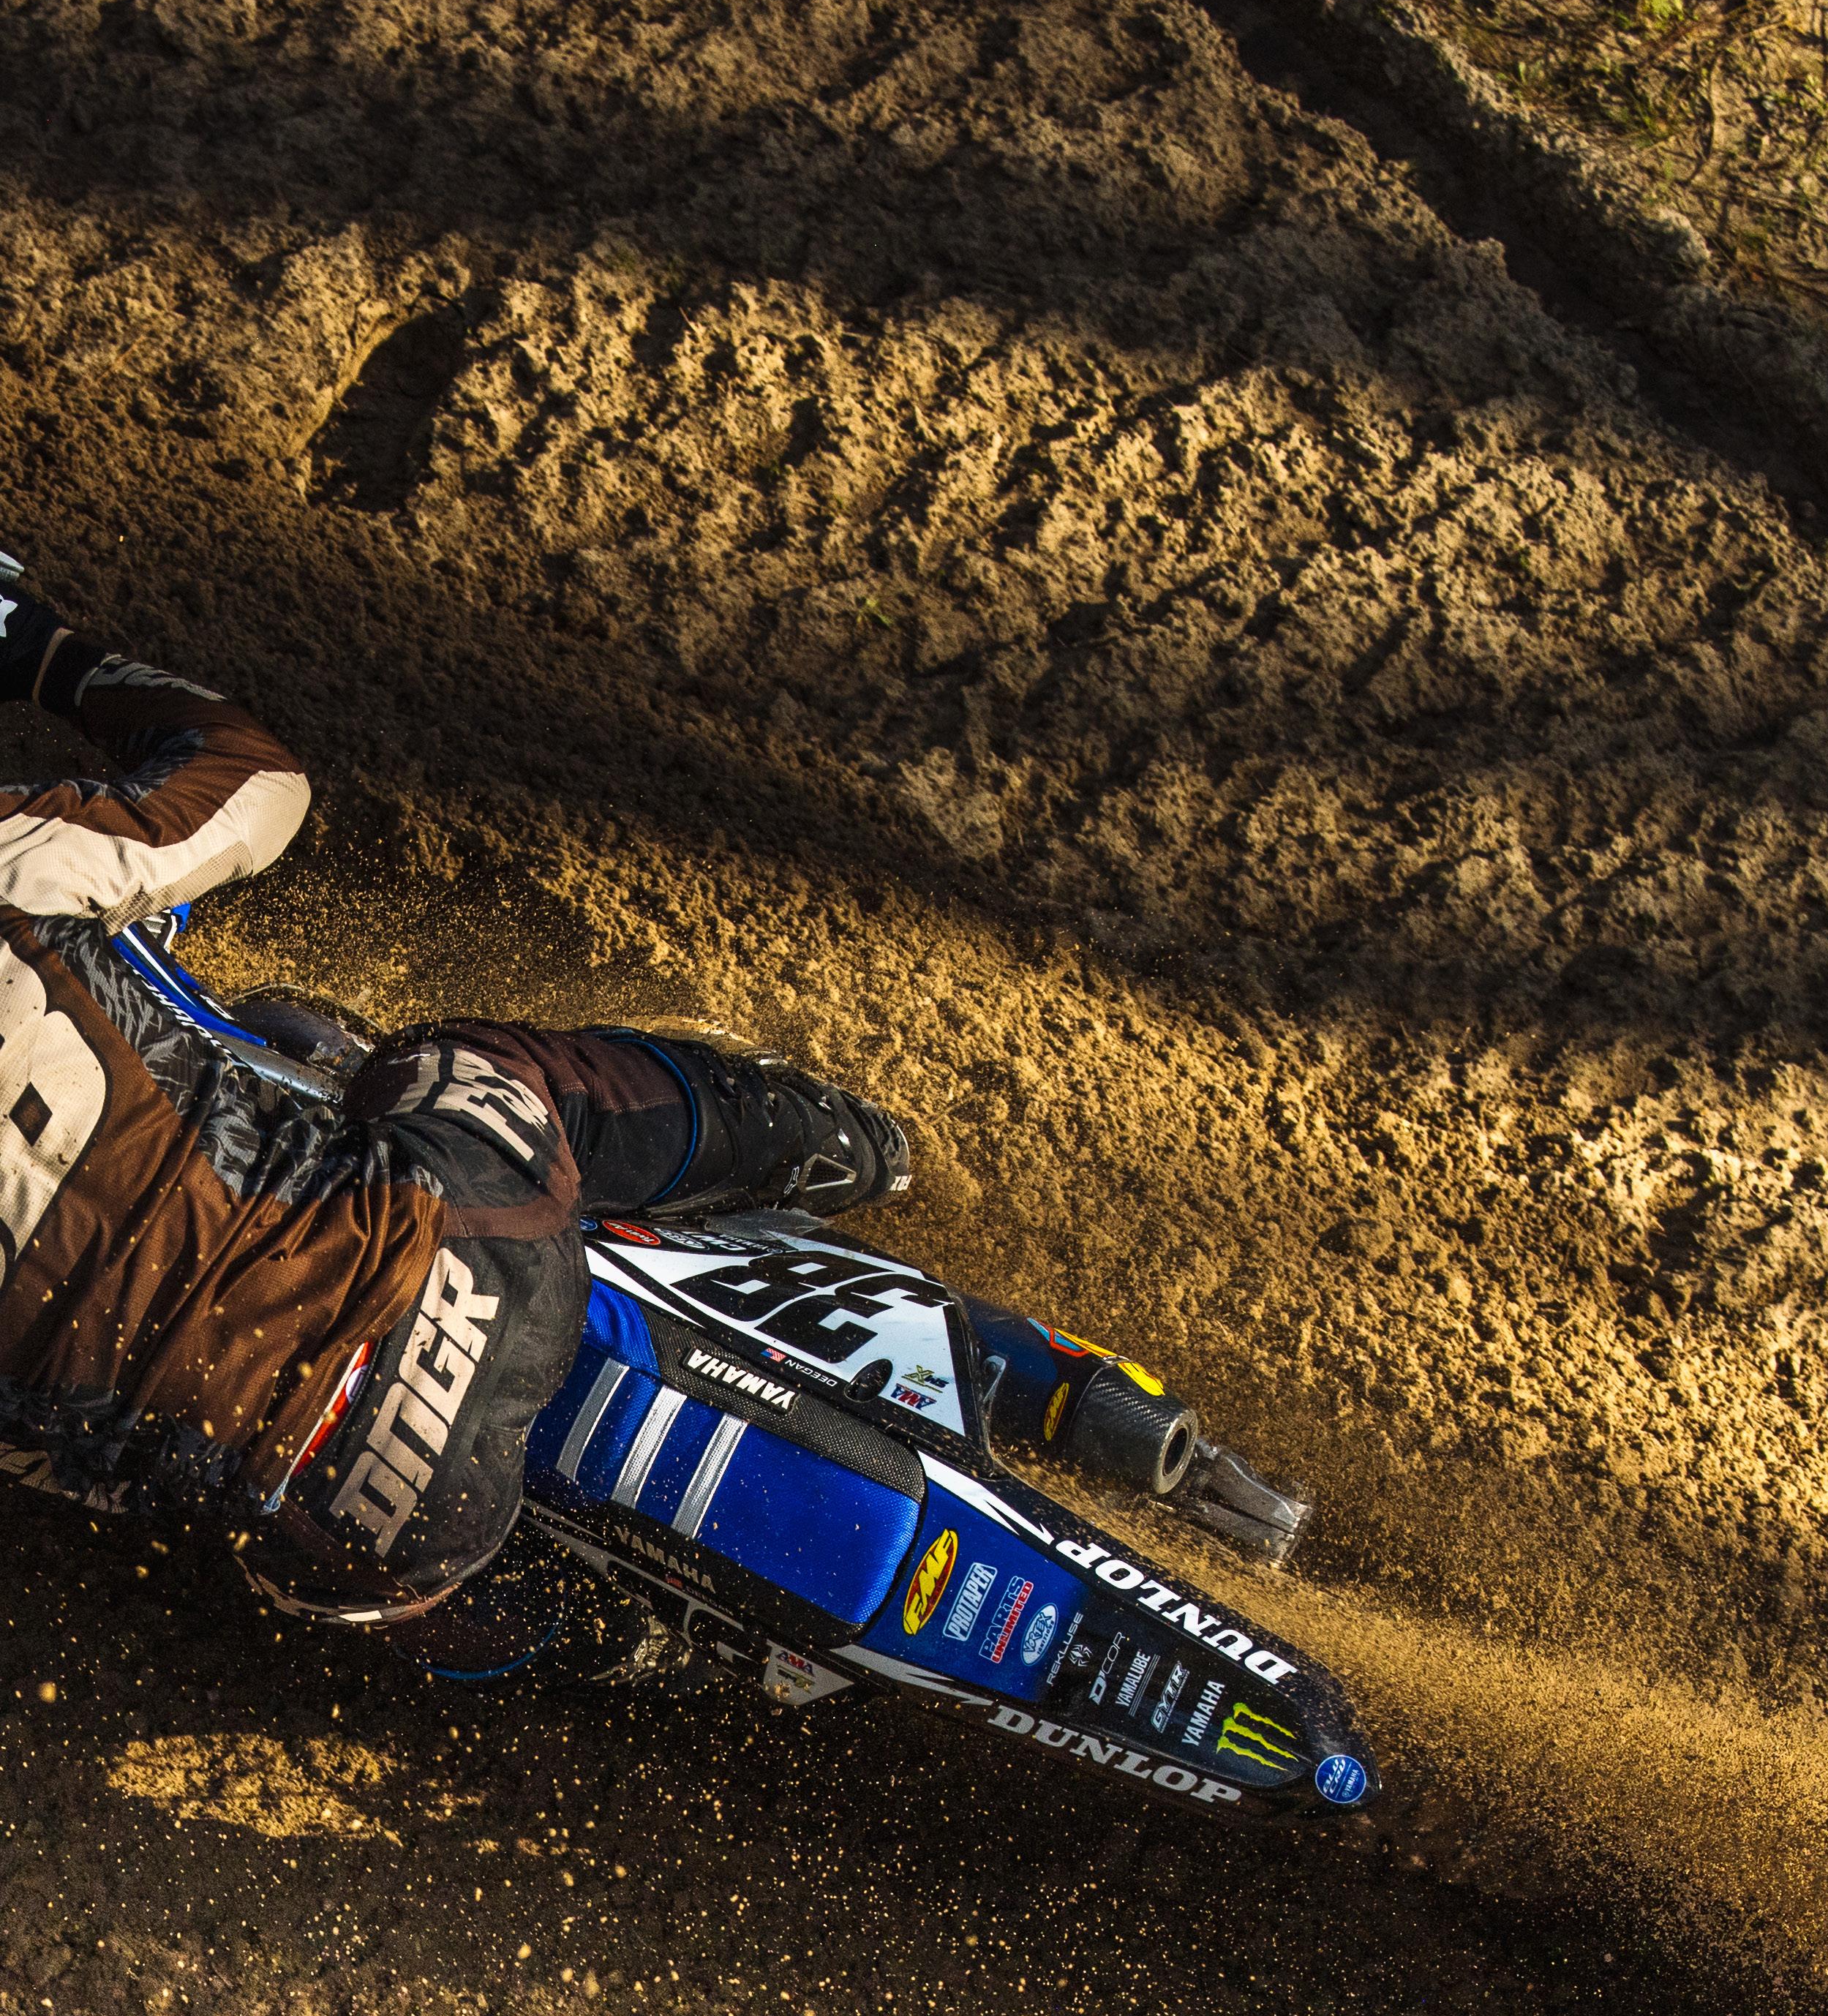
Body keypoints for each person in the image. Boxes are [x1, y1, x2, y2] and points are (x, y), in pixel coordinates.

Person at [0, 556, 1297, 1675]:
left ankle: (581, 1643)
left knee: (118, 1443)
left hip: (353, 1541)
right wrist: (32, 645)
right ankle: (825, 1138)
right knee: (448, 1065)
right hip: (478, 1274)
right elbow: (259, 779)